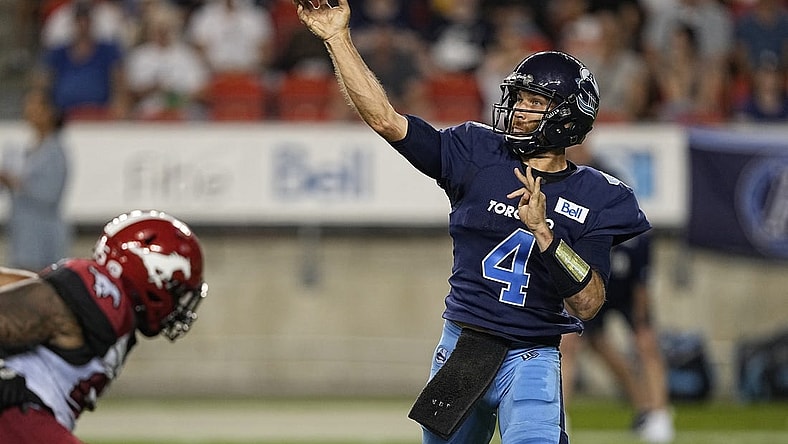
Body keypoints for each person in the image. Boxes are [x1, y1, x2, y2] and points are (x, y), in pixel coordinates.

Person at [293, 1, 651, 443]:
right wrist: (337, 38)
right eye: (519, 98)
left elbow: (590, 302)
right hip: (461, 347)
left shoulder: (597, 195)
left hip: (531, 356)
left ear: (567, 116)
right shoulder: (476, 152)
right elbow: (387, 120)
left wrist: (547, 236)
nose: (519, 110)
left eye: (534, 102)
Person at [0, 209, 207, 444]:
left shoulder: (110, 310)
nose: (177, 305)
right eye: (176, 291)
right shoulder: (106, 296)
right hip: (16, 416)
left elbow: (18, 289)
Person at [0, 88, 71, 272]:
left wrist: (15, 183)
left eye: (35, 104)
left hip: (42, 236)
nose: (29, 109)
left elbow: (50, 194)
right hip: (23, 232)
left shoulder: (54, 152)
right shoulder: (27, 150)